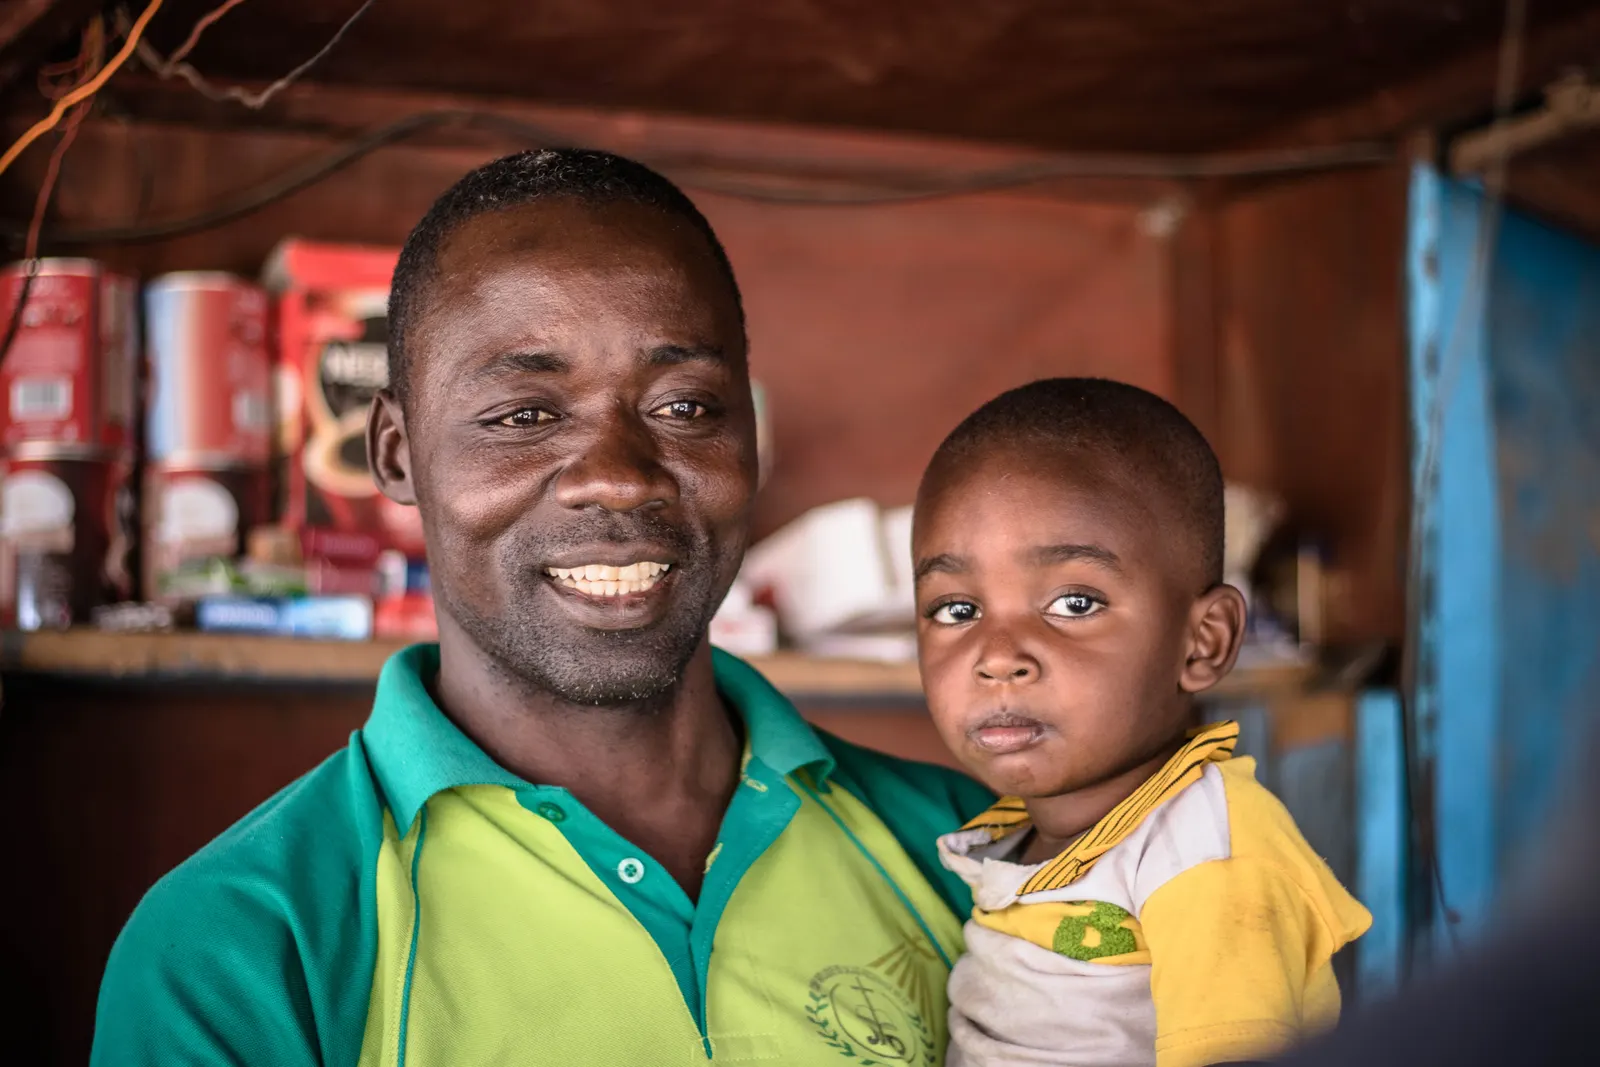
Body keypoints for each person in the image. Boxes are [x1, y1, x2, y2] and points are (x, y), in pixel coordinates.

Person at [91, 149, 992, 1066]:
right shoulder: (234, 951)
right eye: (524, 416)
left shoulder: (974, 854)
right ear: (396, 455)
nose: (617, 477)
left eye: (685, 406)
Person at [911, 378, 1371, 1067]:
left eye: (1073, 601)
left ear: (1203, 640)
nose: (998, 657)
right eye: (956, 610)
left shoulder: (1204, 852)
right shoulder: (1020, 831)